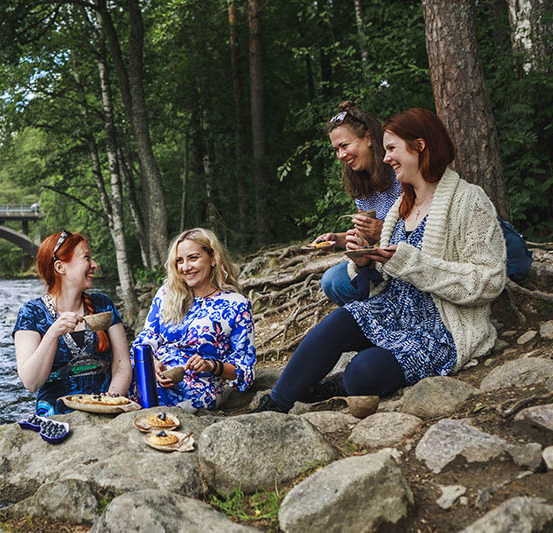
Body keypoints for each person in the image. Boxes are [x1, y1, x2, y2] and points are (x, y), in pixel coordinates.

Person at [253, 108, 506, 413]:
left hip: (441, 329)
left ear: (420, 146)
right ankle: (274, 405)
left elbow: (489, 282)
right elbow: (384, 276)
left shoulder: (469, 200)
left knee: (362, 373)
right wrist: (364, 261)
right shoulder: (403, 204)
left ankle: (338, 384)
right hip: (394, 310)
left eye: (391, 149)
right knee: (336, 323)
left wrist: (410, 261)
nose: (385, 159)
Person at [131, 228, 257, 412]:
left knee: (153, 409)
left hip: (199, 386)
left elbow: (245, 373)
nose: (185, 267)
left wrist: (210, 365)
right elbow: (145, 339)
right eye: (179, 261)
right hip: (152, 376)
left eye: (193, 258)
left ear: (213, 258)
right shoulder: (167, 293)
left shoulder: (236, 305)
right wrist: (153, 362)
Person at [13, 230, 131, 416]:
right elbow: (31, 382)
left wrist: (108, 403)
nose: (94, 265)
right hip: (55, 419)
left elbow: (122, 365)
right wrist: (53, 333)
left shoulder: (103, 304)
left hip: (108, 412)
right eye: (86, 258)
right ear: (61, 267)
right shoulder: (31, 313)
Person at [317, 100, 402, 306]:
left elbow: (420, 229)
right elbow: (366, 237)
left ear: (369, 138)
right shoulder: (360, 182)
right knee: (331, 281)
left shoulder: (399, 170)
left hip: (406, 259)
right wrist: (336, 239)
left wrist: (383, 230)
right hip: (378, 260)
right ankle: (375, 312)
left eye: (345, 145)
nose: (341, 155)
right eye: (336, 149)